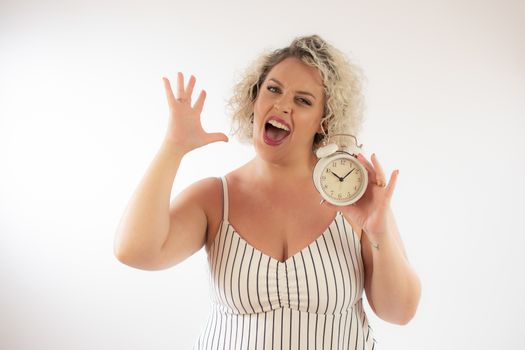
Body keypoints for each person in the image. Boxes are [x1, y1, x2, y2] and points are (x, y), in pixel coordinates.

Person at [114, 35, 421, 349]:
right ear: (254, 99)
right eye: (273, 89)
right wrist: (173, 148)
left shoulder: (355, 198)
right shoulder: (215, 198)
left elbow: (399, 312)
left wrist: (378, 232)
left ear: (324, 122)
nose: (282, 104)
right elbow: (135, 251)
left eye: (303, 100)